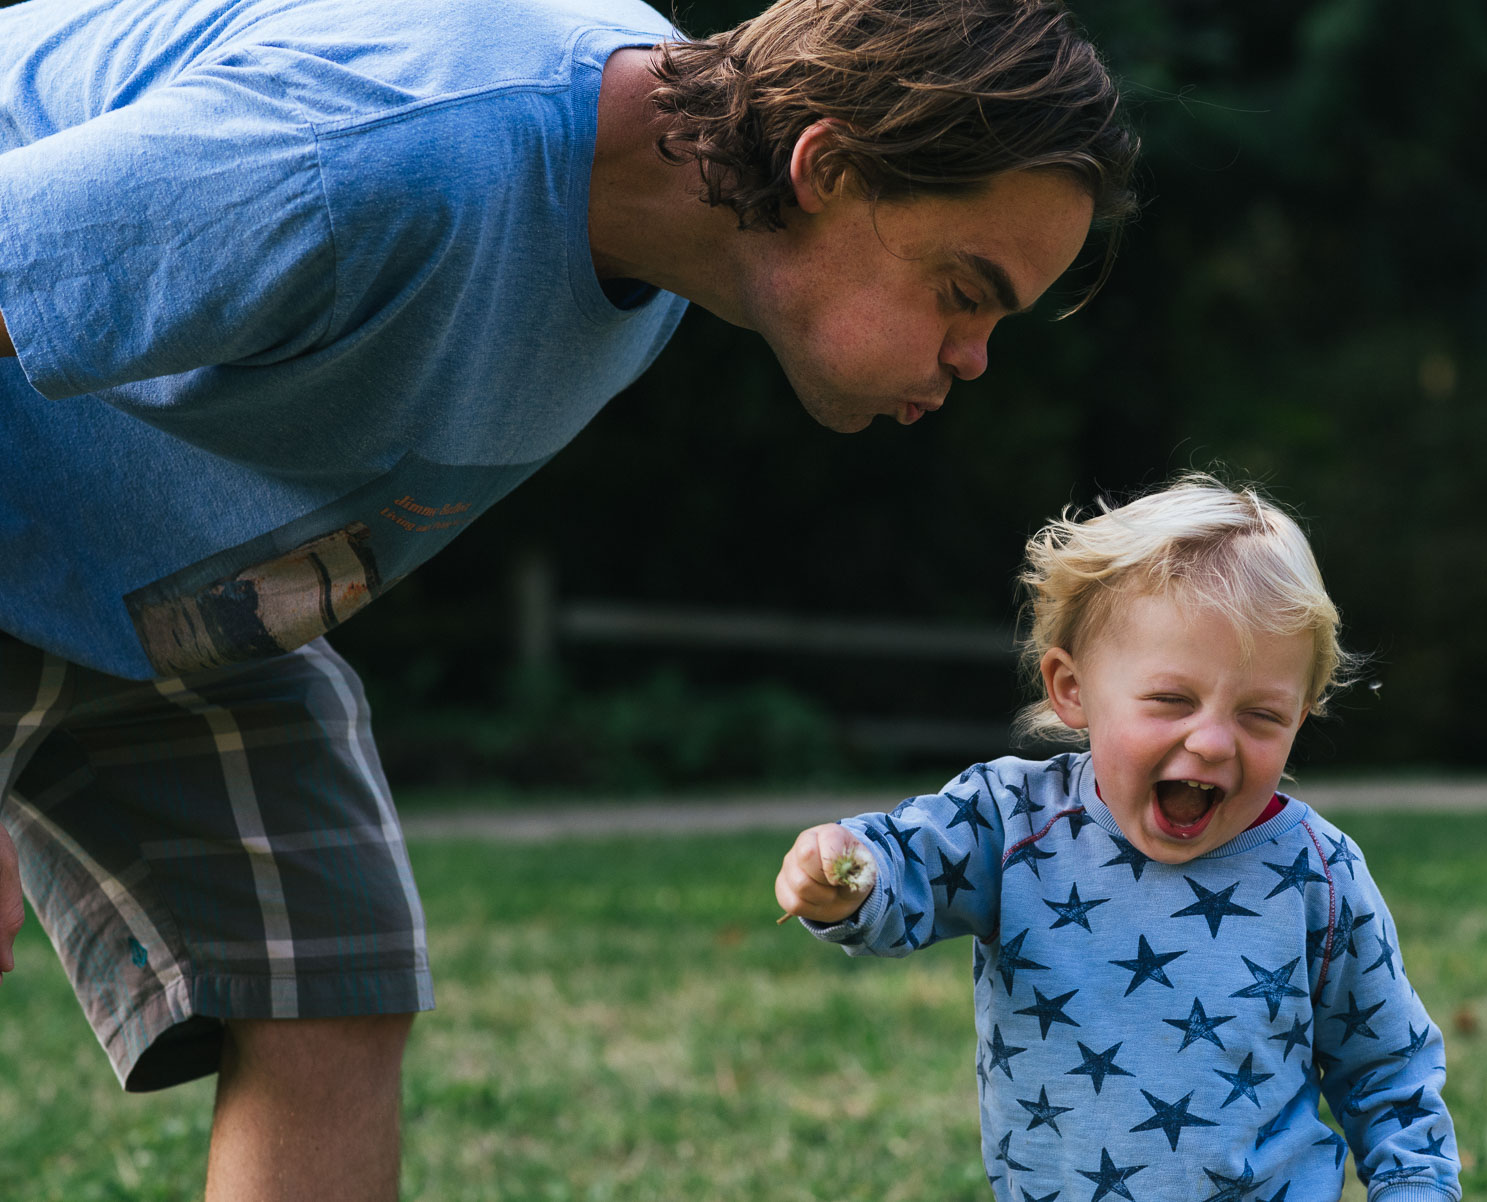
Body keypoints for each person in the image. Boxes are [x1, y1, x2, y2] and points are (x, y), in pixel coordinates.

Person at [0, 0, 1138, 1196]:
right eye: (965, 291)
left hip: (159, 592)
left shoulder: (668, 234)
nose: (974, 358)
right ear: (827, 167)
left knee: (329, 983)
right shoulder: (392, 154)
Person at [775, 475, 1463, 1202]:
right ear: (1072, 688)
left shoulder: (1317, 874)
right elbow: (902, 868)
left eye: (1262, 715)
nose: (1212, 741)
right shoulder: (1012, 824)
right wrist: (847, 877)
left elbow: (1390, 1074)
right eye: (1172, 700)